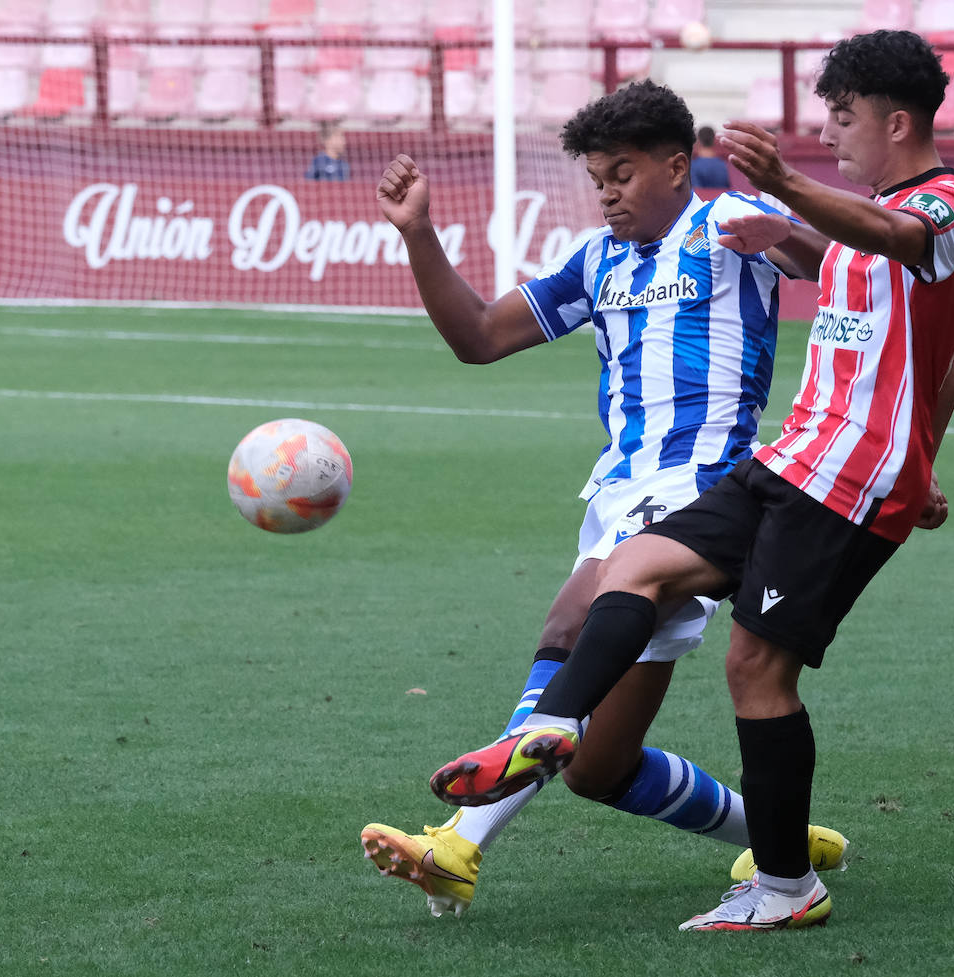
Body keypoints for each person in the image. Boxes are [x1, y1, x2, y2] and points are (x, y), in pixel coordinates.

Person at [429, 29, 954, 933]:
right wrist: (796, 224)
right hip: (793, 454)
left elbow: (902, 259)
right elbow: (919, 327)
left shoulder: (951, 206)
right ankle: (549, 729)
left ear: (895, 120)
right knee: (637, 567)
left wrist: (779, 191)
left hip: (852, 475)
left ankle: (783, 886)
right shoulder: (850, 224)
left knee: (754, 671)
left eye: (842, 119)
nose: (833, 135)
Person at [361, 79, 853, 919]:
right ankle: (779, 831)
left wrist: (791, 228)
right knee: (600, 766)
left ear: (675, 164)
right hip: (617, 492)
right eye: (598, 179)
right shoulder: (598, 260)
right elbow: (478, 337)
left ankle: (459, 844)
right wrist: (420, 236)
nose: (609, 193)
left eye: (622, 173)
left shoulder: (726, 226)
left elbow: (838, 266)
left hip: (702, 489)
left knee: (569, 621)